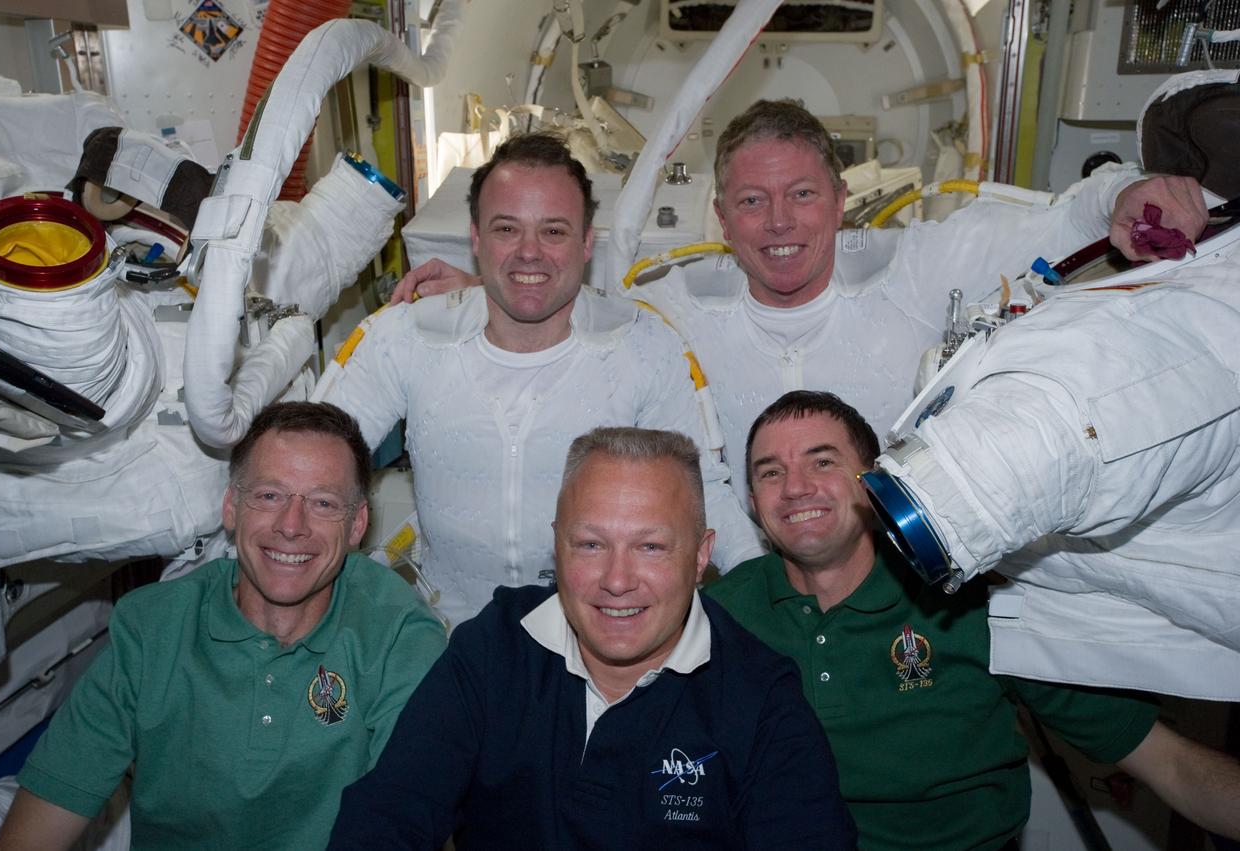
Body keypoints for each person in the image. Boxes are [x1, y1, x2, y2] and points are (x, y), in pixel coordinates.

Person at [392, 99, 1208, 509]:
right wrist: (491, 295)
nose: (779, 223)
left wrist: (1124, 196)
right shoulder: (677, 307)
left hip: (891, 586)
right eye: (752, 202)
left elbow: (1064, 218)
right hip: (740, 599)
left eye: (802, 195)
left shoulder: (912, 270)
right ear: (721, 218)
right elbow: (575, 309)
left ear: (841, 200)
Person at [704, 390, 1240, 851]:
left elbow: (1169, 763)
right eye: (771, 472)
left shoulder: (975, 602)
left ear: (872, 482)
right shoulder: (719, 616)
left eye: (822, 462)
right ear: (754, 503)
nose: (795, 487)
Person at [326, 426, 856, 850]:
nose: (617, 580)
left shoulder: (761, 698)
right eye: (590, 544)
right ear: (556, 547)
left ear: (700, 556)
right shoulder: (494, 648)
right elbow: (390, 813)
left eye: (650, 547)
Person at [312, 132, 764, 627]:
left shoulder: (644, 346)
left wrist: (768, 592)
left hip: (596, 639)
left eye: (553, 231)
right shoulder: (406, 338)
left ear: (587, 242)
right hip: (444, 638)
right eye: (507, 229)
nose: (530, 252)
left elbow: (703, 492)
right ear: (476, 239)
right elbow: (309, 461)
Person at [0, 402, 447, 851]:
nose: (291, 526)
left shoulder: (397, 635)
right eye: (269, 495)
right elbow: (36, 828)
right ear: (231, 507)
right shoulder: (151, 630)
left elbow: (408, 813)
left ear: (357, 525)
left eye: (323, 503)